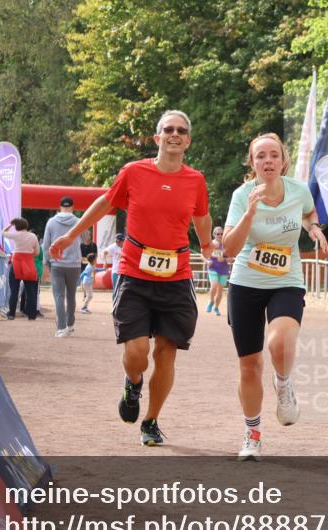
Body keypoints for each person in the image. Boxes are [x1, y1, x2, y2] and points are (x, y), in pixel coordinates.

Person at [50, 109, 212, 447]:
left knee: (167, 352)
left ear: (188, 141)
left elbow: (201, 217)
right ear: (157, 138)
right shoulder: (134, 172)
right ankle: (132, 380)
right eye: (168, 129)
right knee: (138, 351)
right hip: (135, 274)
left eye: (181, 130)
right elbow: (105, 204)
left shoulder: (195, 180)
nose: (174, 134)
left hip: (176, 275)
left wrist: (208, 245)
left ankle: (151, 421)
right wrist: (72, 236)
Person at [222, 133, 328, 460]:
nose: (267, 161)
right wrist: (249, 214)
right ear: (252, 163)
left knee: (279, 343)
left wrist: (313, 228)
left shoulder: (298, 190)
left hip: (286, 280)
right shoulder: (242, 196)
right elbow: (228, 249)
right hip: (246, 283)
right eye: (260, 156)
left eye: (273, 155)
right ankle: (252, 433)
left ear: (283, 160)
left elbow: (309, 213)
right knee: (250, 366)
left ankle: (283, 384)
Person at [42, 196, 83, 338]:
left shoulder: (51, 222)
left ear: (59, 207)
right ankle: (70, 324)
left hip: (56, 264)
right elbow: (86, 238)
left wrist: (46, 263)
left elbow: (46, 245)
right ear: (73, 207)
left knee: (59, 296)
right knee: (71, 296)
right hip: (74, 264)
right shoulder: (78, 221)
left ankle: (61, 328)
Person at [3, 218, 40, 320]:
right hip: (29, 263)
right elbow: (37, 252)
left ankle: (11, 314)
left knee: (14, 290)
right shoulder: (33, 236)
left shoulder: (16, 235)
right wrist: (28, 254)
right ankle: (32, 315)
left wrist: (10, 224)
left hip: (17, 264)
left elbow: (3, 233)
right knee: (31, 291)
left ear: (17, 227)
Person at [205, 226, 230, 317]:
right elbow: (203, 254)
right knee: (214, 285)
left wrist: (225, 259)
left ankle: (216, 308)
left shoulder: (226, 244)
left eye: (221, 234)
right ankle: (211, 301)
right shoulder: (211, 244)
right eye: (218, 234)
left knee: (220, 291)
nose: (220, 235)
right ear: (214, 234)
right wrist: (207, 261)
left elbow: (231, 257)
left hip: (223, 269)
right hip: (213, 268)